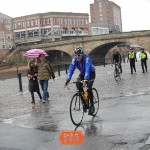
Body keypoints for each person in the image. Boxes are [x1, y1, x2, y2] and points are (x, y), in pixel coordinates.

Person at [64, 47, 96, 115]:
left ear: (82, 54)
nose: (78, 56)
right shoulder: (74, 60)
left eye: (79, 55)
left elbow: (88, 69)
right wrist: (68, 79)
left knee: (89, 88)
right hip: (83, 73)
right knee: (78, 84)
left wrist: (85, 79)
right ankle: (84, 102)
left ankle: (92, 106)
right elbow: (71, 69)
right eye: (76, 55)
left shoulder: (86, 58)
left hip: (90, 73)